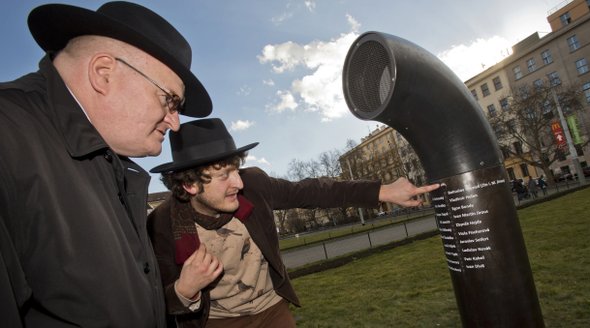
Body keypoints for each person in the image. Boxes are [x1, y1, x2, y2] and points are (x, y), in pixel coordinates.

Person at [0, 2, 212, 326]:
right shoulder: (8, 138)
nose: (175, 123)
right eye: (170, 100)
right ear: (103, 73)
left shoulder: (109, 164)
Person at [147, 118, 440, 328]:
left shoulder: (255, 185)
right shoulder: (162, 223)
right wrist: (185, 290)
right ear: (190, 186)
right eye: (224, 176)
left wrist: (382, 191)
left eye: (236, 169)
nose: (238, 182)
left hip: (272, 310)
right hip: (215, 321)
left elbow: (313, 191)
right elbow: (153, 302)